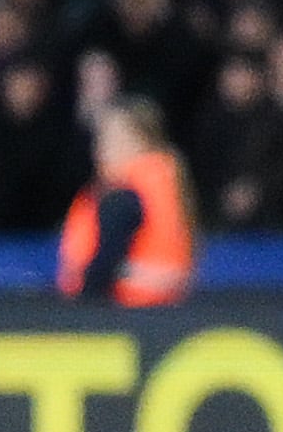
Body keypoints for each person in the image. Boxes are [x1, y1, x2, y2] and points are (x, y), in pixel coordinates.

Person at [56, 97, 195, 303]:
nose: (100, 148)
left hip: (123, 312)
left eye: (110, 138)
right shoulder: (167, 183)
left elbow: (102, 270)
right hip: (162, 309)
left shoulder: (123, 198)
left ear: (140, 141)